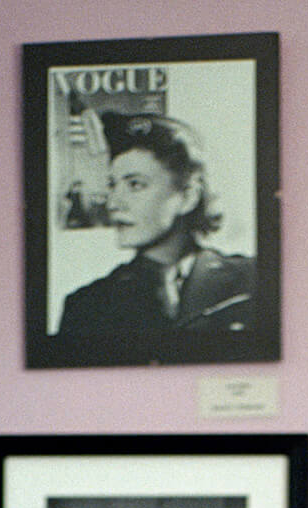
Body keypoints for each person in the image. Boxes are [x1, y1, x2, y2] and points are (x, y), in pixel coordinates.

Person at [56, 113, 260, 348]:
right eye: (112, 185)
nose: (113, 203)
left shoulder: (253, 279)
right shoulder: (86, 305)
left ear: (188, 197)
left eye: (135, 184)